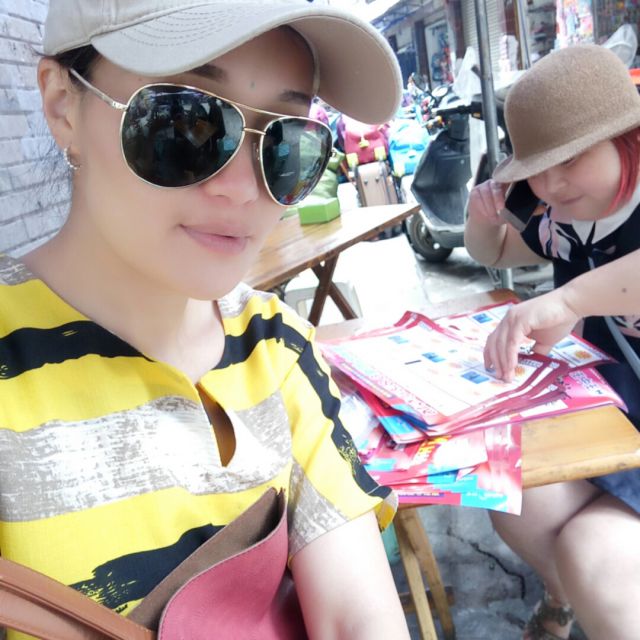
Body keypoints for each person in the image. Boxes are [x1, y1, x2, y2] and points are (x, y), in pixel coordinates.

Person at [0, 1, 411, 637]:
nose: (243, 189)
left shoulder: (277, 347)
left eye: (285, 141)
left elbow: (357, 619)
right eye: (185, 123)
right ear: (62, 105)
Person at [465, 44, 640, 640]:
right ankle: (564, 596)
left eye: (571, 158)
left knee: (593, 550)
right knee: (513, 491)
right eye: (537, 166)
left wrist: (568, 301)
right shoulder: (564, 214)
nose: (550, 181)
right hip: (613, 416)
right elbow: (496, 252)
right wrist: (481, 218)